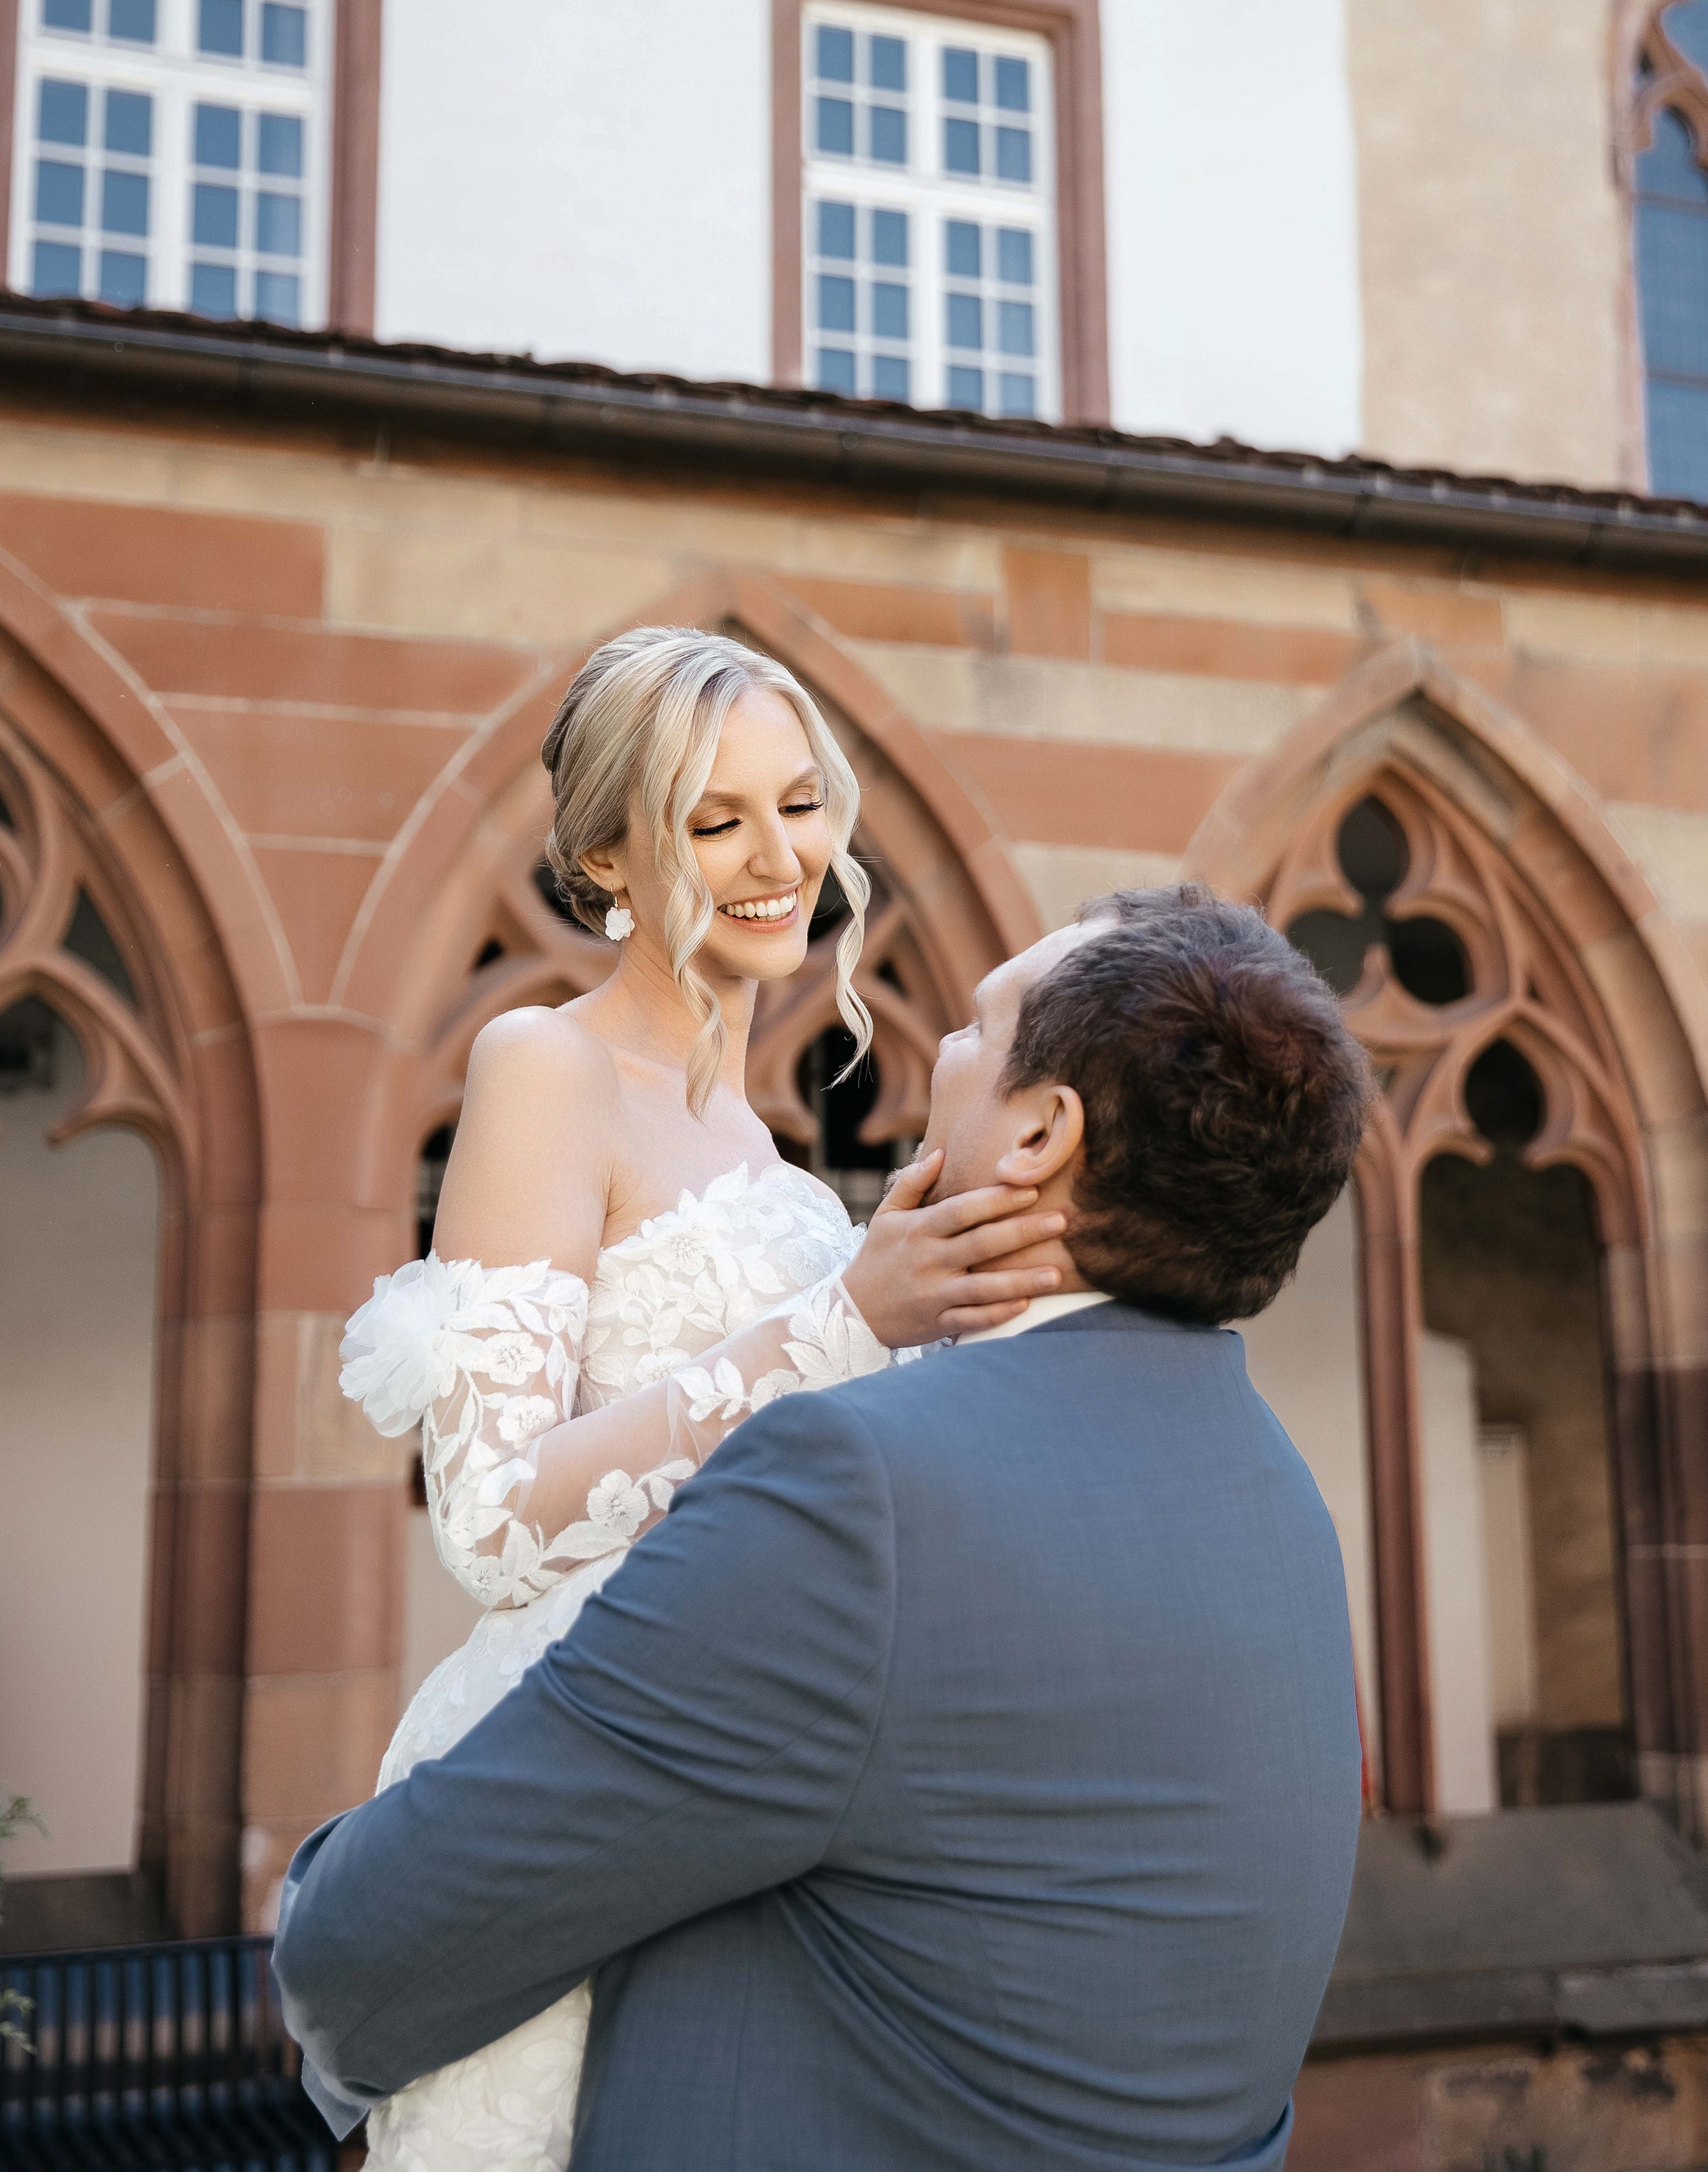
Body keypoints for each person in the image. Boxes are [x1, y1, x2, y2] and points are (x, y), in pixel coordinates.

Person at [279, 879, 1375, 2172]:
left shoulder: (861, 1491)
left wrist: (317, 1897)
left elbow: (373, 1943)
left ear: (1041, 1134)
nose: (942, 1052)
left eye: (973, 1028)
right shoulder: (1284, 1501)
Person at [328, 624, 1068, 2171]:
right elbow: (489, 1522)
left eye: (797, 805)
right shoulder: (544, 1065)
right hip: (579, 1769)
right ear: (604, 857)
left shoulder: (760, 1150)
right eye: (714, 820)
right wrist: (842, 1320)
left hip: (749, 1788)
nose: (778, 858)